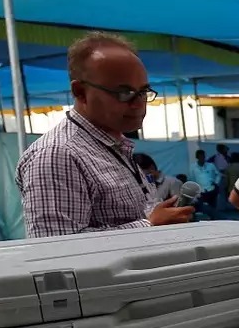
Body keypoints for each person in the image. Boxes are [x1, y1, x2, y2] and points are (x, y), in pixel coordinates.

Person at [18, 32, 194, 237]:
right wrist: (149, 224)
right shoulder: (57, 155)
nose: (138, 104)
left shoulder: (113, 146)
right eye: (124, 93)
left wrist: (160, 218)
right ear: (80, 92)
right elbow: (54, 246)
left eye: (143, 92)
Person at [189, 149, 221, 217]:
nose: (202, 158)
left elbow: (218, 175)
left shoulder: (211, 165)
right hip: (201, 191)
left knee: (213, 207)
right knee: (202, 207)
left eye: (203, 156)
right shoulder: (193, 167)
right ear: (197, 157)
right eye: (200, 157)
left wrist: (216, 182)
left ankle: (214, 219)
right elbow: (192, 179)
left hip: (211, 189)